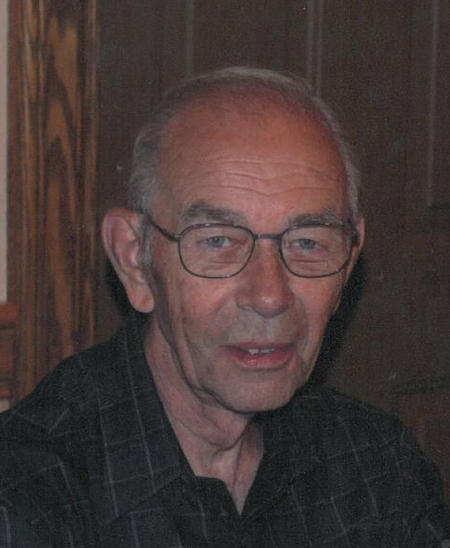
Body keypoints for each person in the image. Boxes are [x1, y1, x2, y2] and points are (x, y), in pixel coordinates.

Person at [0, 67, 449, 547]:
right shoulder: (26, 498)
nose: (269, 296)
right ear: (135, 261)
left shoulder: (376, 470)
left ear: (348, 262)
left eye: (307, 242)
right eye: (217, 241)